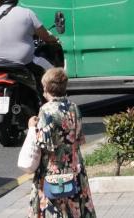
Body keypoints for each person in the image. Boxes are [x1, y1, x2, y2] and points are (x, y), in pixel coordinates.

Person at [0, 0, 59, 140]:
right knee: (52, 72)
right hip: (23, 62)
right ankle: (51, 108)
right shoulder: (27, 13)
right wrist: (53, 40)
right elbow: (44, 35)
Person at [27, 67, 95, 218]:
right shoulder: (74, 107)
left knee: (55, 208)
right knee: (76, 206)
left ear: (46, 87)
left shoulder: (46, 110)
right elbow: (78, 138)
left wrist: (32, 127)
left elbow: (43, 144)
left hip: (53, 169)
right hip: (74, 167)